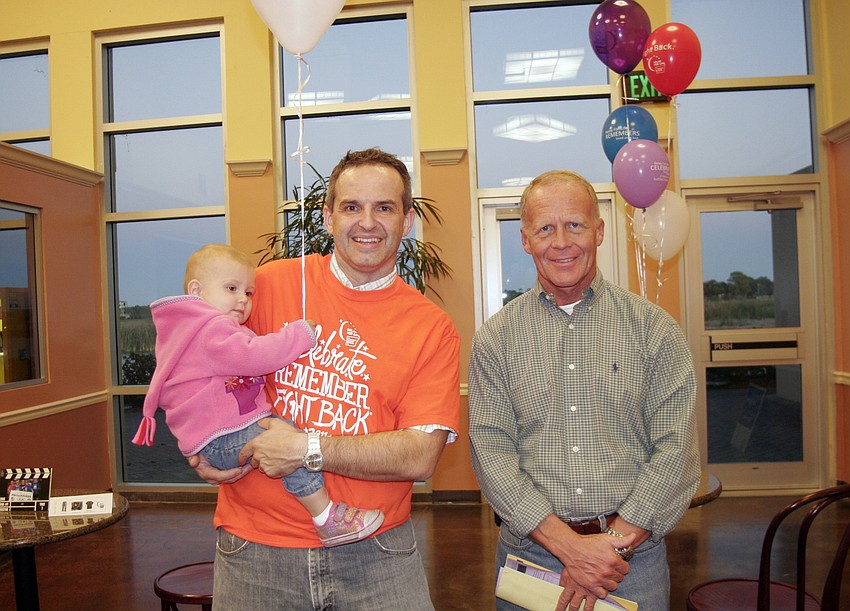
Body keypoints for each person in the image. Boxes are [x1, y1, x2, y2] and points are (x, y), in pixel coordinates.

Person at [190, 149, 461, 610]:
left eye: (384, 207)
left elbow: (420, 455)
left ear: (407, 221)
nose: (367, 223)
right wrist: (197, 447)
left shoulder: (431, 327)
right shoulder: (266, 286)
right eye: (352, 207)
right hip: (256, 550)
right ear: (328, 216)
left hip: (378, 553)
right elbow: (193, 360)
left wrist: (304, 448)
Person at [468, 170, 699, 611]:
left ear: (599, 230)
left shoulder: (654, 330)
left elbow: (676, 451)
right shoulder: (496, 339)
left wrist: (609, 545)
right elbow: (492, 452)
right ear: (525, 240)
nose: (561, 242)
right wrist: (570, 547)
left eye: (574, 224)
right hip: (532, 557)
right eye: (545, 229)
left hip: (630, 563)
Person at [133, 243, 384, 547]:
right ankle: (326, 517)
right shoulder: (209, 330)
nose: (243, 299)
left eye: (248, 292)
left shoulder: (194, 329)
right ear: (196, 290)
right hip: (223, 437)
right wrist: (298, 335)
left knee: (287, 435)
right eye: (231, 288)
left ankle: (325, 515)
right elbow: (254, 356)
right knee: (290, 446)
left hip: (216, 437)